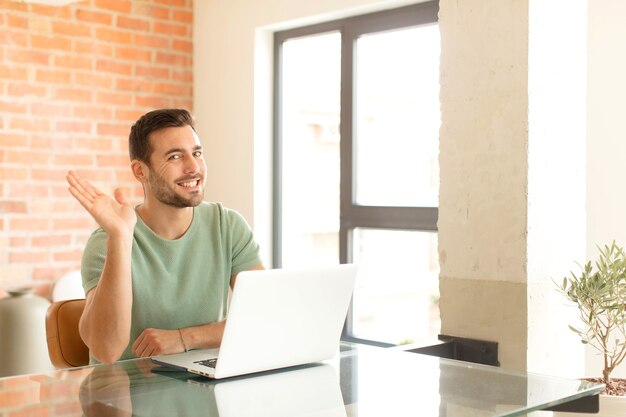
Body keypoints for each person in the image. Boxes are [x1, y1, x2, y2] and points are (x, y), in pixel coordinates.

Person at [67, 109, 264, 364]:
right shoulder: (107, 239)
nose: (193, 167)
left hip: (203, 389)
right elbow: (106, 350)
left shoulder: (227, 226)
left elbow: (262, 317)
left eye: (197, 153)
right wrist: (121, 237)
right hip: (128, 396)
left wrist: (184, 338)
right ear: (140, 171)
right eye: (175, 157)